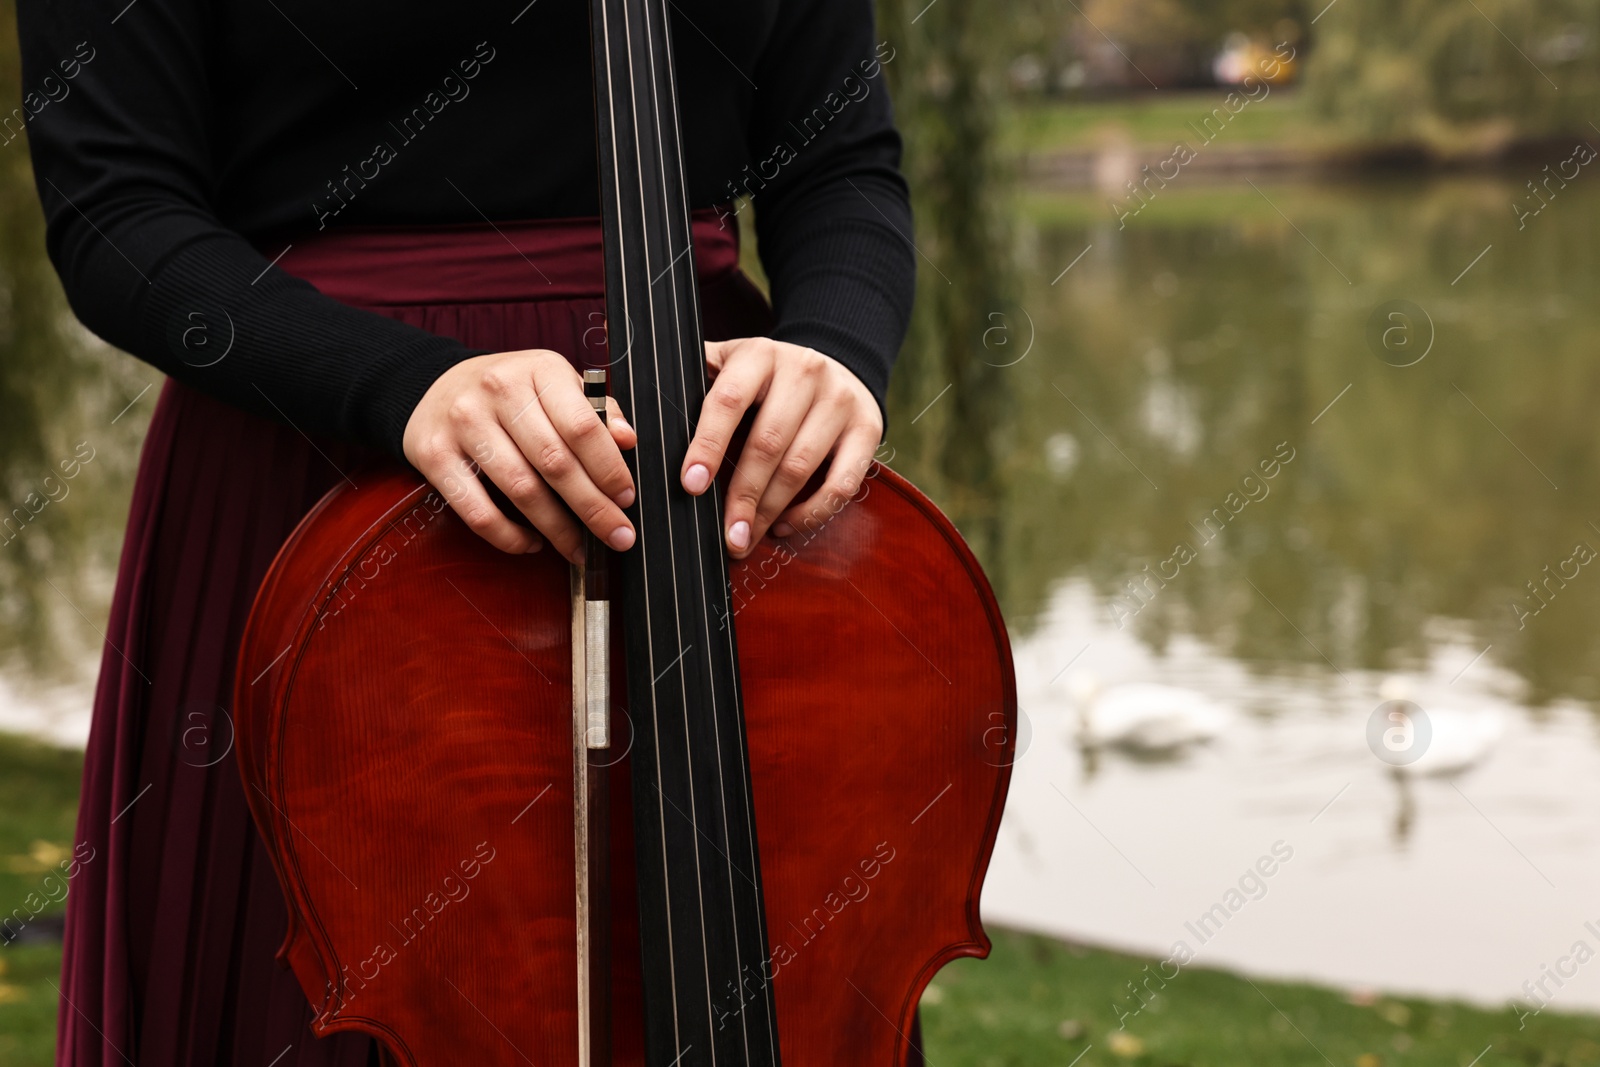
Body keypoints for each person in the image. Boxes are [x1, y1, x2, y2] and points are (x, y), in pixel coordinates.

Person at [16, 0, 915, 1062]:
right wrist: (402, 386)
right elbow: (118, 212)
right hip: (319, 461)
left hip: (709, 462)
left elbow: (840, 159)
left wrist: (836, 344)